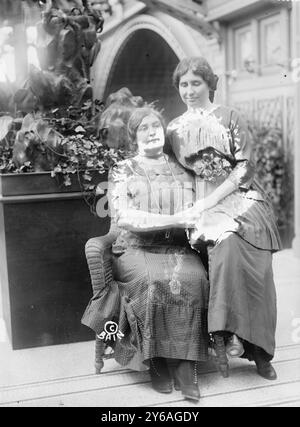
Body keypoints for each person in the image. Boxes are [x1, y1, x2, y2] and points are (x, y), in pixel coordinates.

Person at [84, 106, 209, 401]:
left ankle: (184, 364)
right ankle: (155, 361)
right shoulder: (122, 171)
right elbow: (125, 218)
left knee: (195, 279)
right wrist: (176, 220)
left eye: (156, 125)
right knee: (151, 282)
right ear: (133, 136)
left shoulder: (183, 169)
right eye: (144, 127)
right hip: (135, 248)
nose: (152, 131)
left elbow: (201, 209)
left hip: (177, 248)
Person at [167, 57, 282, 380]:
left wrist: (212, 199)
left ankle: (259, 350)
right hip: (201, 203)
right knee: (227, 246)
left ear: (209, 84)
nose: (189, 91)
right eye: (183, 85)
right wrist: (192, 205)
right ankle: (224, 333)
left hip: (241, 196)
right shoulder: (174, 129)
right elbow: (175, 174)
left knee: (257, 265)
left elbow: (245, 167)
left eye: (196, 83)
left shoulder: (230, 116)